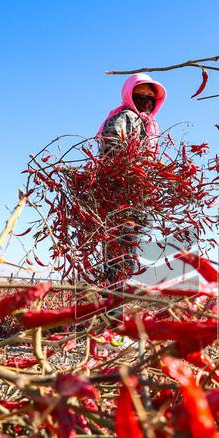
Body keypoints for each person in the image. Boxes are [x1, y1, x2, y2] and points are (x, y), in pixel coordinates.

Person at [95, 74, 167, 286]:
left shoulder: (151, 125)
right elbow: (112, 154)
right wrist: (132, 176)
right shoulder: (124, 117)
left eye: (150, 97)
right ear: (129, 95)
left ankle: (115, 306)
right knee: (118, 250)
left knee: (128, 253)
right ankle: (111, 309)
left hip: (137, 197)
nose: (146, 100)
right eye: (140, 95)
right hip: (119, 195)